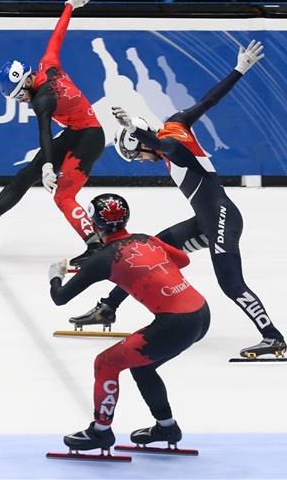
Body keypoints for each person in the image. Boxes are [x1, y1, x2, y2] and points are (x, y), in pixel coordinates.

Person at [72, 40, 287, 359]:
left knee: (231, 284)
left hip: (221, 219)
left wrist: (137, 130)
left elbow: (170, 150)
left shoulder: (172, 148)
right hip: (206, 220)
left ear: (145, 145)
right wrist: (239, 69)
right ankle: (108, 307)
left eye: (138, 155)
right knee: (145, 252)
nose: (143, 161)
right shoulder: (175, 122)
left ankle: (273, 337)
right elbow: (208, 101)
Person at [0, 0, 106, 267]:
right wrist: (69, 6)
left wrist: (48, 167)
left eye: (20, 95)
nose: (21, 101)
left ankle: (95, 245)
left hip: (90, 137)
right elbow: (57, 36)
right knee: (25, 174)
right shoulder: (48, 65)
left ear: (28, 83)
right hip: (75, 132)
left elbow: (44, 132)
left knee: (64, 195)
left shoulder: (43, 100)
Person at [49, 193, 209, 452]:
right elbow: (184, 260)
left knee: (106, 363)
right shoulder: (146, 239)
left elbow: (60, 297)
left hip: (176, 324)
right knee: (142, 367)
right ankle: (166, 426)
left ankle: (100, 432)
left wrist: (55, 276)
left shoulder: (103, 258)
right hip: (201, 313)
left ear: (93, 224)